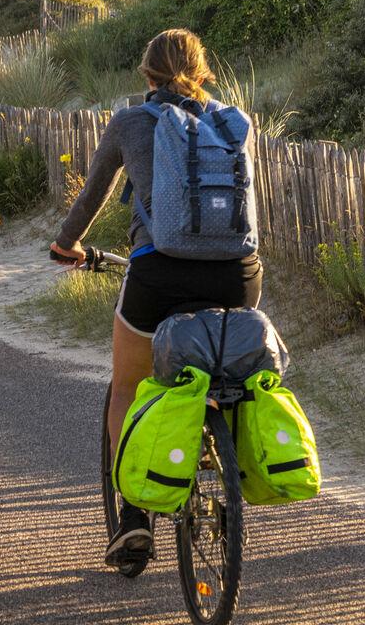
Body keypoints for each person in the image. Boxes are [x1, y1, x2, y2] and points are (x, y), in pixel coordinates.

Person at [49, 28, 263, 570]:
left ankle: (133, 516)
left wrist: (66, 245)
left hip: (158, 273)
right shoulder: (233, 123)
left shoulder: (129, 122)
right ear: (204, 71)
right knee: (224, 377)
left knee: (126, 386)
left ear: (146, 76)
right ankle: (224, 458)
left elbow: (92, 194)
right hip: (238, 275)